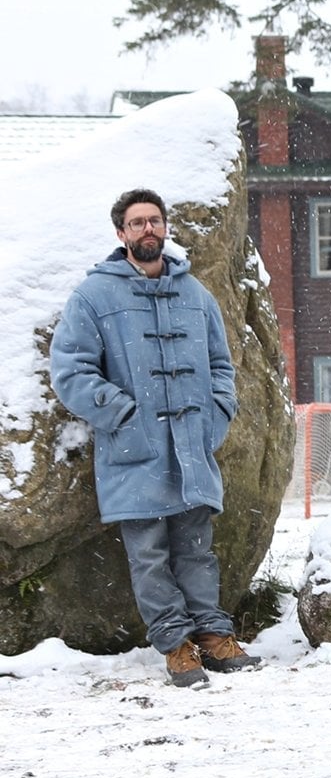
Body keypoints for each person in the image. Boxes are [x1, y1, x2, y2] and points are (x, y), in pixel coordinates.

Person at [50, 188, 260, 689]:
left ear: (165, 229)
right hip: (132, 449)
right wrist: (121, 412)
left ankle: (212, 634)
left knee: (196, 548)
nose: (148, 229)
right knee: (148, 554)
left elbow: (220, 365)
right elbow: (70, 370)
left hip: (192, 445)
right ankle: (174, 644)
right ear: (121, 233)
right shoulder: (93, 296)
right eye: (137, 222)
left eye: (155, 221)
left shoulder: (196, 294)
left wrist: (218, 414)